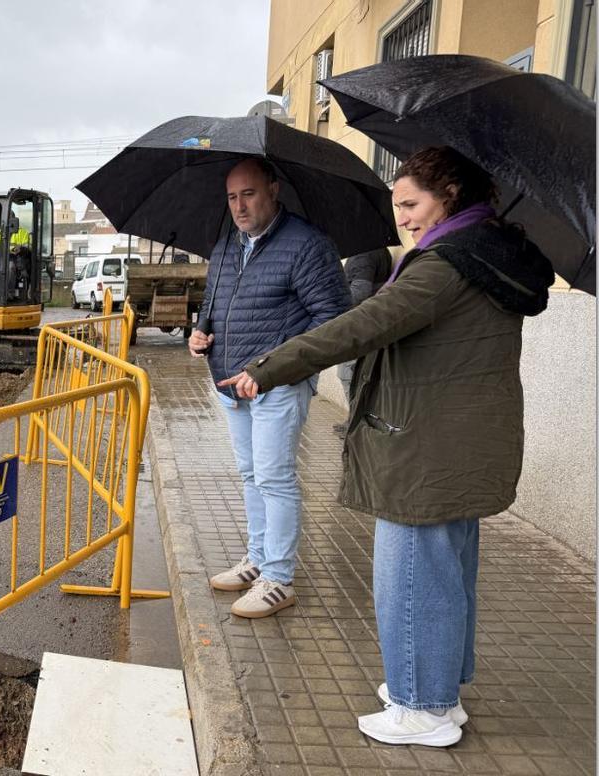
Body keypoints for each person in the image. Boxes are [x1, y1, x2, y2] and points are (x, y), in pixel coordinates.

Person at [216, 146, 554, 747]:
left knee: (411, 578)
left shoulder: (446, 263)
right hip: (455, 440)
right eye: (397, 205)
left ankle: (421, 707)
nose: (402, 218)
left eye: (411, 204)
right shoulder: (484, 251)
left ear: (449, 197)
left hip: (426, 447)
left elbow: (363, 324)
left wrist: (268, 367)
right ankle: (439, 693)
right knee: (447, 576)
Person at [187, 157, 350, 618]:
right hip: (231, 384)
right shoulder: (226, 246)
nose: (239, 206)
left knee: (275, 479)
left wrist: (273, 367)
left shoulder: (306, 245)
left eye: (249, 194)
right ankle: (257, 560)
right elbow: (213, 302)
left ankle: (278, 578)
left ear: (273, 190)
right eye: (232, 197)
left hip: (278, 385)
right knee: (251, 475)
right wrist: (200, 333)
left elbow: (333, 319)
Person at [333, 247, 392, 437]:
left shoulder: (363, 254)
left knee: (348, 374)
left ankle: (356, 424)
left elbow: (360, 291)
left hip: (359, 326)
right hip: (369, 324)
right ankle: (355, 420)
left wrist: (332, 304)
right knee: (355, 376)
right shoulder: (377, 250)